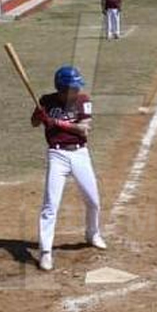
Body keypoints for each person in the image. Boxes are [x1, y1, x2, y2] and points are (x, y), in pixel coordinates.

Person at [32, 66, 107, 271]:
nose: (76, 91)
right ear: (61, 88)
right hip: (57, 155)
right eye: (72, 88)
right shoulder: (47, 101)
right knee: (50, 205)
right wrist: (39, 116)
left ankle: (93, 233)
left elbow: (84, 129)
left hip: (80, 153)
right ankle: (46, 251)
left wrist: (55, 122)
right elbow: (33, 123)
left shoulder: (83, 101)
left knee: (93, 200)